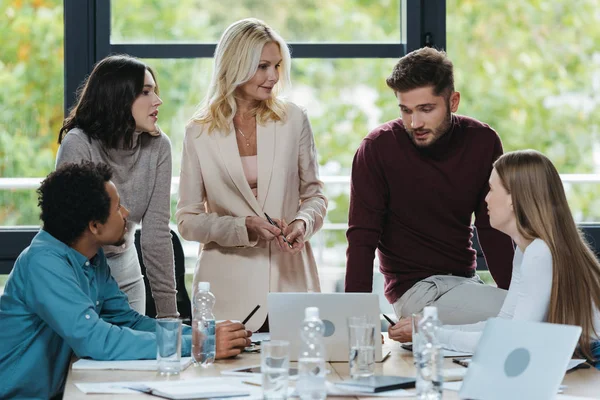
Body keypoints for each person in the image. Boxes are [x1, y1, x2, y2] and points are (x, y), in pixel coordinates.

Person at [0, 162, 252, 399]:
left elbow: (127, 320)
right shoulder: (44, 264)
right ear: (95, 226)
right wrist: (197, 344)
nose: (126, 212)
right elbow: (97, 341)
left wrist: (203, 333)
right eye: (118, 207)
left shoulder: (91, 256)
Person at [176, 18, 327, 332]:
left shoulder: (294, 119)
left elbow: (315, 195)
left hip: (290, 284)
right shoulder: (198, 132)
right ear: (236, 65)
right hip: (225, 292)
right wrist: (242, 227)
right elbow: (188, 220)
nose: (273, 77)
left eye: (277, 66)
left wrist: (302, 222)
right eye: (262, 66)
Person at [345, 47, 515, 325]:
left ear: (454, 101)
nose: (415, 123)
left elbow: (492, 228)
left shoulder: (482, 142)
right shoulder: (377, 148)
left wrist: (513, 292)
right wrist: (355, 323)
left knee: (528, 307)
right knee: (523, 313)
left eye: (426, 109)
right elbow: (362, 239)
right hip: (415, 292)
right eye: (405, 110)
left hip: (465, 284)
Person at [389, 150, 600, 369]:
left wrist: (432, 333)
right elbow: (504, 324)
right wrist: (428, 329)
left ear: (514, 199)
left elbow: (511, 341)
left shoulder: (539, 252)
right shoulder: (526, 250)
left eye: (491, 189)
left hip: (593, 364)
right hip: (581, 358)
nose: (486, 199)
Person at [56, 55, 177, 318]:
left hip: (127, 272)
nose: (158, 101)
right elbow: (69, 231)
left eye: (155, 91)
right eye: (146, 92)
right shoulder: (79, 144)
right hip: (80, 274)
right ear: (118, 98)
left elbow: (156, 234)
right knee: (86, 356)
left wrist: (169, 318)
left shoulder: (159, 146)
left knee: (133, 356)